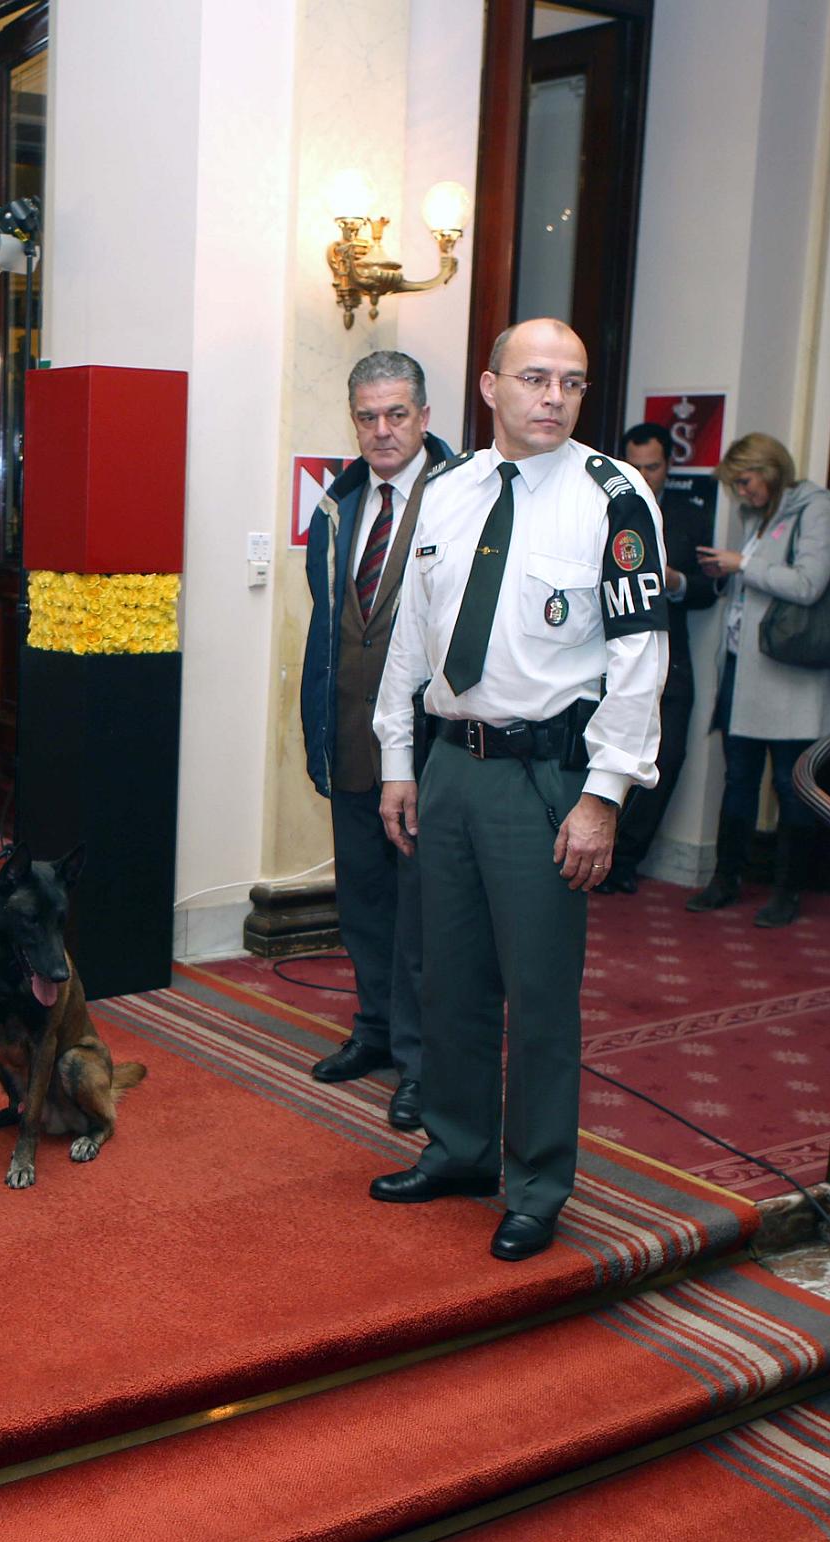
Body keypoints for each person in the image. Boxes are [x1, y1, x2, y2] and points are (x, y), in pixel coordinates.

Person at [371, 318, 667, 1261]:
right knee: (449, 977)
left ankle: (537, 1182)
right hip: (452, 764)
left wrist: (604, 793)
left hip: (546, 778)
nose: (554, 397)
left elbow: (639, 659)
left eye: (572, 384)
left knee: (539, 992)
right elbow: (409, 644)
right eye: (535, 378)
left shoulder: (613, 499)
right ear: (490, 386)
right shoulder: (448, 494)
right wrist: (397, 761)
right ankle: (458, 1148)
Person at [299, 351, 455, 1131]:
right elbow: (332, 627)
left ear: (425, 416)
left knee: (423, 917)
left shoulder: (466, 498)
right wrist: (318, 730)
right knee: (362, 902)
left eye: (398, 414)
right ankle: (376, 1033)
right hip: (353, 742)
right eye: (368, 416)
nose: (383, 430)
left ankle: (425, 1064)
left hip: (432, 755)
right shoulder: (340, 503)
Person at [685, 432, 830, 927]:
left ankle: (786, 890)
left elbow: (808, 584)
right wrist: (726, 572)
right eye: (735, 484)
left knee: (790, 784)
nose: (741, 491)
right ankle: (726, 878)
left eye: (746, 480)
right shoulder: (755, 515)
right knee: (738, 779)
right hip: (743, 666)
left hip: (790, 676)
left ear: (771, 470)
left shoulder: (816, 509)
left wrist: (742, 563)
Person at [598, 421, 718, 892]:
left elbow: (709, 588)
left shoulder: (688, 515)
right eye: (637, 466)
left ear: (669, 466)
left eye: (654, 467)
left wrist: (675, 581)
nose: (645, 477)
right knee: (606, 751)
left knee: (667, 758)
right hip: (607, 653)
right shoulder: (605, 505)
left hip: (674, 654)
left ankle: (625, 861)